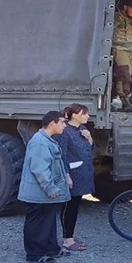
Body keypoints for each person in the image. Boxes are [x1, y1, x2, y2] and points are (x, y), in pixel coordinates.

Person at [18, 111, 72, 263]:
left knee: (48, 221)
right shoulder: (40, 142)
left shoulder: (47, 140)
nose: (64, 125)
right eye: (62, 122)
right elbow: (40, 169)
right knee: (37, 223)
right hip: (38, 193)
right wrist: (50, 188)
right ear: (52, 123)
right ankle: (34, 254)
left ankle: (50, 249)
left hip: (42, 194)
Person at [53, 104, 94, 251]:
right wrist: (66, 176)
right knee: (69, 207)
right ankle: (67, 240)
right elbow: (61, 156)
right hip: (72, 175)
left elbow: (89, 151)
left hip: (82, 174)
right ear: (75, 115)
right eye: (85, 113)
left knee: (75, 206)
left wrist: (89, 138)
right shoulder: (64, 132)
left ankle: (69, 236)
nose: (88, 116)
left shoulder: (82, 130)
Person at [112, 0, 132, 111]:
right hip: (120, 49)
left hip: (130, 51)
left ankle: (120, 99)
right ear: (125, 7)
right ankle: (123, 98)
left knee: (126, 76)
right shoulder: (117, 17)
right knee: (124, 75)